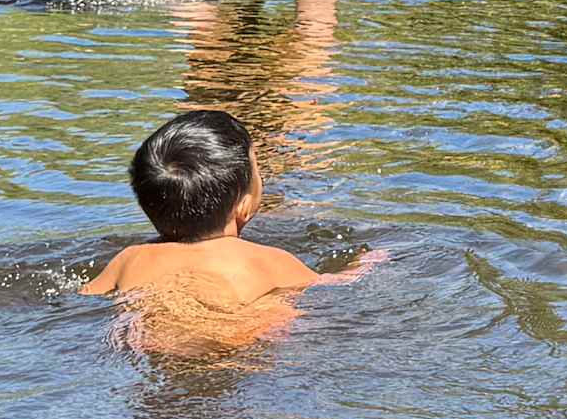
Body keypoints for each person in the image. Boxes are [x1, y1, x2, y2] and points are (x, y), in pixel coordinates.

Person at [82, 107, 374, 323]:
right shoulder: (271, 262)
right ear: (243, 204)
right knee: (278, 314)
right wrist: (366, 263)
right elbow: (335, 287)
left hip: (149, 339)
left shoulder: (130, 259)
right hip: (240, 345)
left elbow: (83, 299)